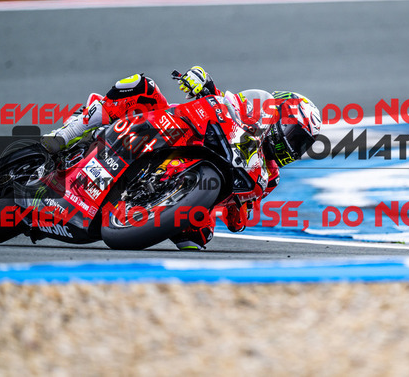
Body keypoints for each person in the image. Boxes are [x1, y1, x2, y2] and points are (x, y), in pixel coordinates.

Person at [41, 67, 321, 250]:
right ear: (278, 117)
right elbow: (221, 101)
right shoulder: (247, 112)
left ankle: (140, 206)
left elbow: (236, 223)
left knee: (198, 237)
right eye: (295, 136)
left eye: (301, 145)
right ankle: (67, 133)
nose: (293, 147)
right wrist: (201, 80)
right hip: (166, 130)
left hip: (189, 181)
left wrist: (242, 205)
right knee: (141, 85)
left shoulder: (269, 177)